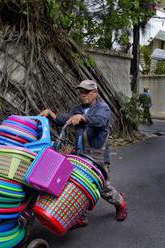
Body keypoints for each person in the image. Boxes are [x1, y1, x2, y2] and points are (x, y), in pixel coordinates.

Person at [39, 79, 128, 226]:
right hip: (80, 155)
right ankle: (81, 216)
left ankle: (120, 203)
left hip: (97, 156)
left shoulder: (103, 108)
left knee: (102, 187)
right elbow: (64, 120)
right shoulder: (77, 108)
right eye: (81, 92)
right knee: (74, 185)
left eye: (87, 92)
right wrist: (50, 114)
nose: (83, 94)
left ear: (95, 93)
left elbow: (100, 120)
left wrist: (83, 118)